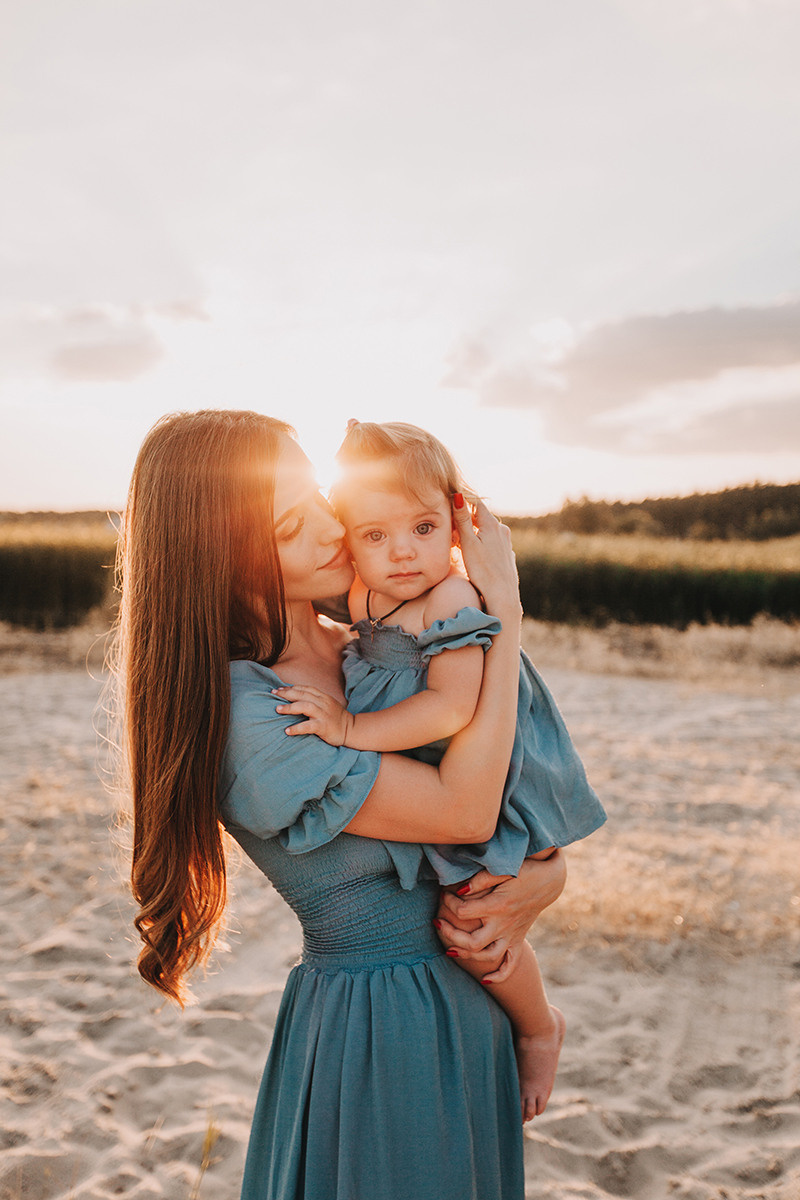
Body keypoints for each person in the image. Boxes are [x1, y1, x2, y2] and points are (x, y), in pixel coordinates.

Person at [118, 409, 568, 1200]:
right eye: (295, 525)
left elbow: (508, 783)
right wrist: (507, 613)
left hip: (475, 1008)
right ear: (219, 560)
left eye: (324, 498)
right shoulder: (251, 714)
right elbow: (463, 812)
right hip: (382, 1030)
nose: (335, 527)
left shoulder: (369, 639)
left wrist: (548, 876)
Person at [273, 419, 606, 1121]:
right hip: (438, 774)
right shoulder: (364, 596)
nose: (402, 553)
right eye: (375, 535)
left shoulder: (451, 601)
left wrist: (350, 728)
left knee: (478, 917)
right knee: (467, 909)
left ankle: (539, 1023)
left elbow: (452, 708)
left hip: (493, 767)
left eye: (423, 529)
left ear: (455, 525)